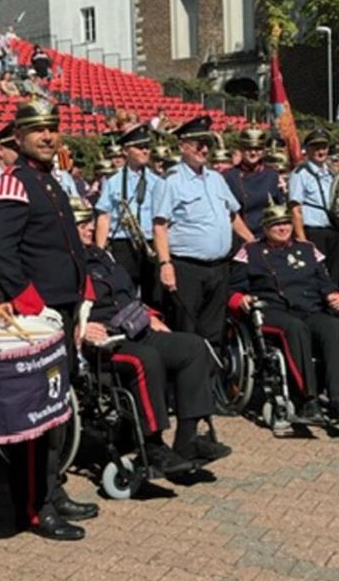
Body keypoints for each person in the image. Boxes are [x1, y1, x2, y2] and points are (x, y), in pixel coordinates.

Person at [0, 98, 96, 540]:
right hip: (40, 314)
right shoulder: (14, 182)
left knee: (58, 408)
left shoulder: (50, 180)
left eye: (52, 128)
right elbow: (0, 252)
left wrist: (82, 290)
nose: (48, 135)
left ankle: (52, 488)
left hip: (62, 308)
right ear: (18, 137)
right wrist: (31, 304)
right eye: (37, 130)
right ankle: (34, 507)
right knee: (41, 412)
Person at [76, 197, 228, 475]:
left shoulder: (101, 255)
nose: (89, 228)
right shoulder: (61, 262)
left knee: (194, 347)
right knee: (146, 358)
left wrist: (151, 317)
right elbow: (53, 308)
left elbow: (126, 296)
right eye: (81, 224)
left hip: (134, 327)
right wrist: (80, 327)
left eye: (90, 222)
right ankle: (152, 443)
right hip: (102, 341)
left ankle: (188, 440)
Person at [229, 204, 339, 422]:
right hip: (272, 310)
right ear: (265, 227)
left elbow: (325, 283)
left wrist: (336, 297)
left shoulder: (308, 249)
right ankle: (307, 399)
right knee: (294, 328)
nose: (283, 228)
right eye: (276, 225)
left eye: (286, 223)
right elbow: (234, 289)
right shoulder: (250, 252)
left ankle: (337, 397)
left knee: (332, 326)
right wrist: (241, 299)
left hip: (310, 307)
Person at [153, 117, 253, 345]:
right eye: (198, 144)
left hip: (219, 267)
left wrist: (251, 241)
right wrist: (165, 264)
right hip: (188, 268)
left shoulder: (217, 179)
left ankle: (212, 379)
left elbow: (232, 215)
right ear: (182, 147)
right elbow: (160, 226)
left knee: (214, 331)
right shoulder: (171, 181)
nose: (204, 149)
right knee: (187, 331)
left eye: (207, 143)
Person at [94, 124, 161, 306]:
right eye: (139, 147)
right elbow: (104, 217)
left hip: (150, 243)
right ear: (126, 150)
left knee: (153, 296)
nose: (145, 151)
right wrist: (99, 254)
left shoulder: (158, 182)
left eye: (147, 146)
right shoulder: (113, 181)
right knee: (125, 295)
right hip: (123, 245)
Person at [288, 128, 339, 296]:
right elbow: (295, 208)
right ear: (308, 150)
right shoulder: (300, 173)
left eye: (324, 147)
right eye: (316, 147)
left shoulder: (331, 173)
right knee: (318, 278)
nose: (321, 151)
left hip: (333, 230)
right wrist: (302, 239)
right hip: (314, 232)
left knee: (337, 276)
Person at [224, 128, 286, 236]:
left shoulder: (272, 175)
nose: (253, 152)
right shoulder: (229, 176)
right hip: (239, 235)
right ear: (241, 150)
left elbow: (280, 207)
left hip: (267, 235)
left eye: (257, 149)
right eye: (248, 148)